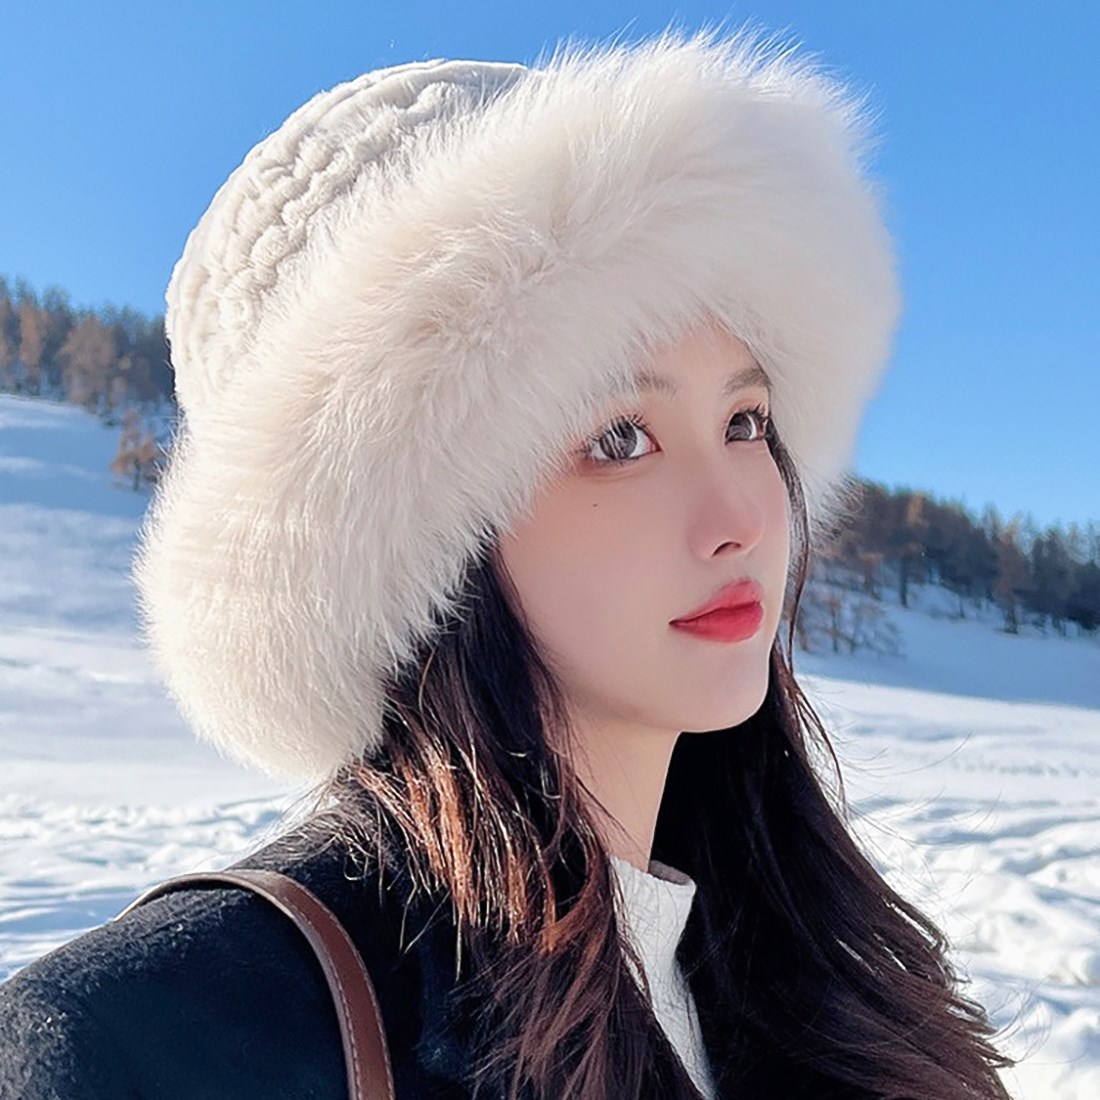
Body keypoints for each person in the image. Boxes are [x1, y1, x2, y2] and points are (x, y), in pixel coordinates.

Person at [0, 28, 1012, 1100]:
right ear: (411, 536)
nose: (738, 521)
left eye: (745, 420)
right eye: (619, 436)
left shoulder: (813, 964)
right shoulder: (152, 1040)